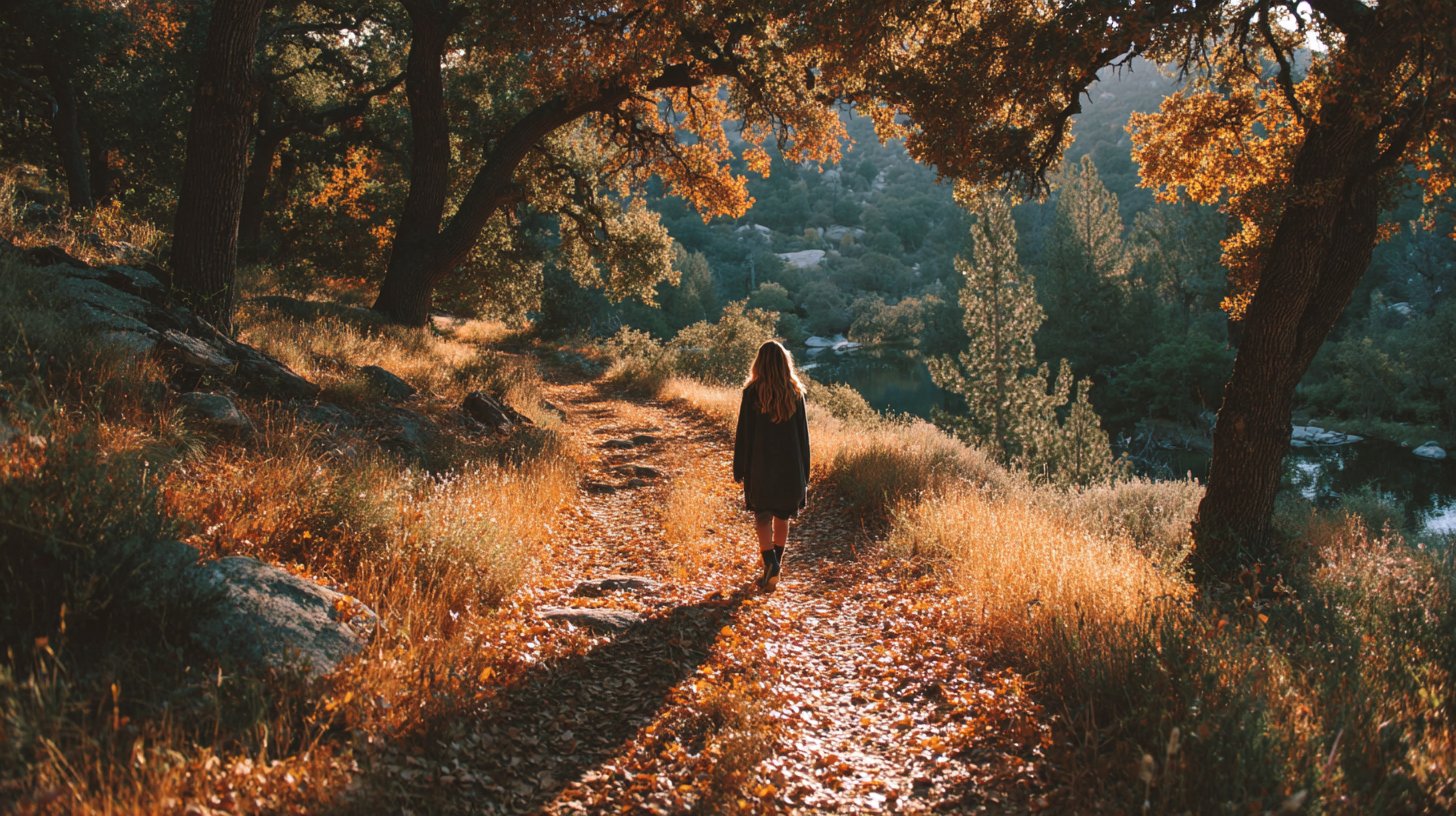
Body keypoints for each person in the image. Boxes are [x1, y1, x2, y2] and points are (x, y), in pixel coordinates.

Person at [733, 340, 811, 592]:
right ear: (784, 363)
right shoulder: (795, 392)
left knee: (763, 515)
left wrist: (739, 468)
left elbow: (744, 434)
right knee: (782, 515)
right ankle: (776, 563)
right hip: (790, 468)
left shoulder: (752, 393)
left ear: (759, 363)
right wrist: (805, 473)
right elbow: (803, 436)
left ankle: (771, 563)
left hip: (761, 468)